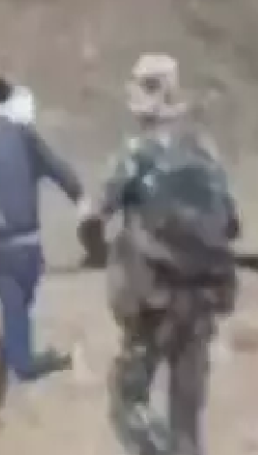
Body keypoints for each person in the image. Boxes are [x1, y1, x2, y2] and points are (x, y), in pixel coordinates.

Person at [78, 54, 242, 455]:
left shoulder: (136, 154)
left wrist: (97, 252)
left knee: (127, 401)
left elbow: (93, 218)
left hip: (155, 303)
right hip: (203, 301)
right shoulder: (205, 151)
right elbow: (232, 223)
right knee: (187, 418)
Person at [0, 75, 86, 425]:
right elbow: (66, 176)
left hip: (1, 255)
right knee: (12, 324)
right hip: (32, 255)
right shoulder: (26, 138)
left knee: (21, 359)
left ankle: (66, 357)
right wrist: (83, 206)